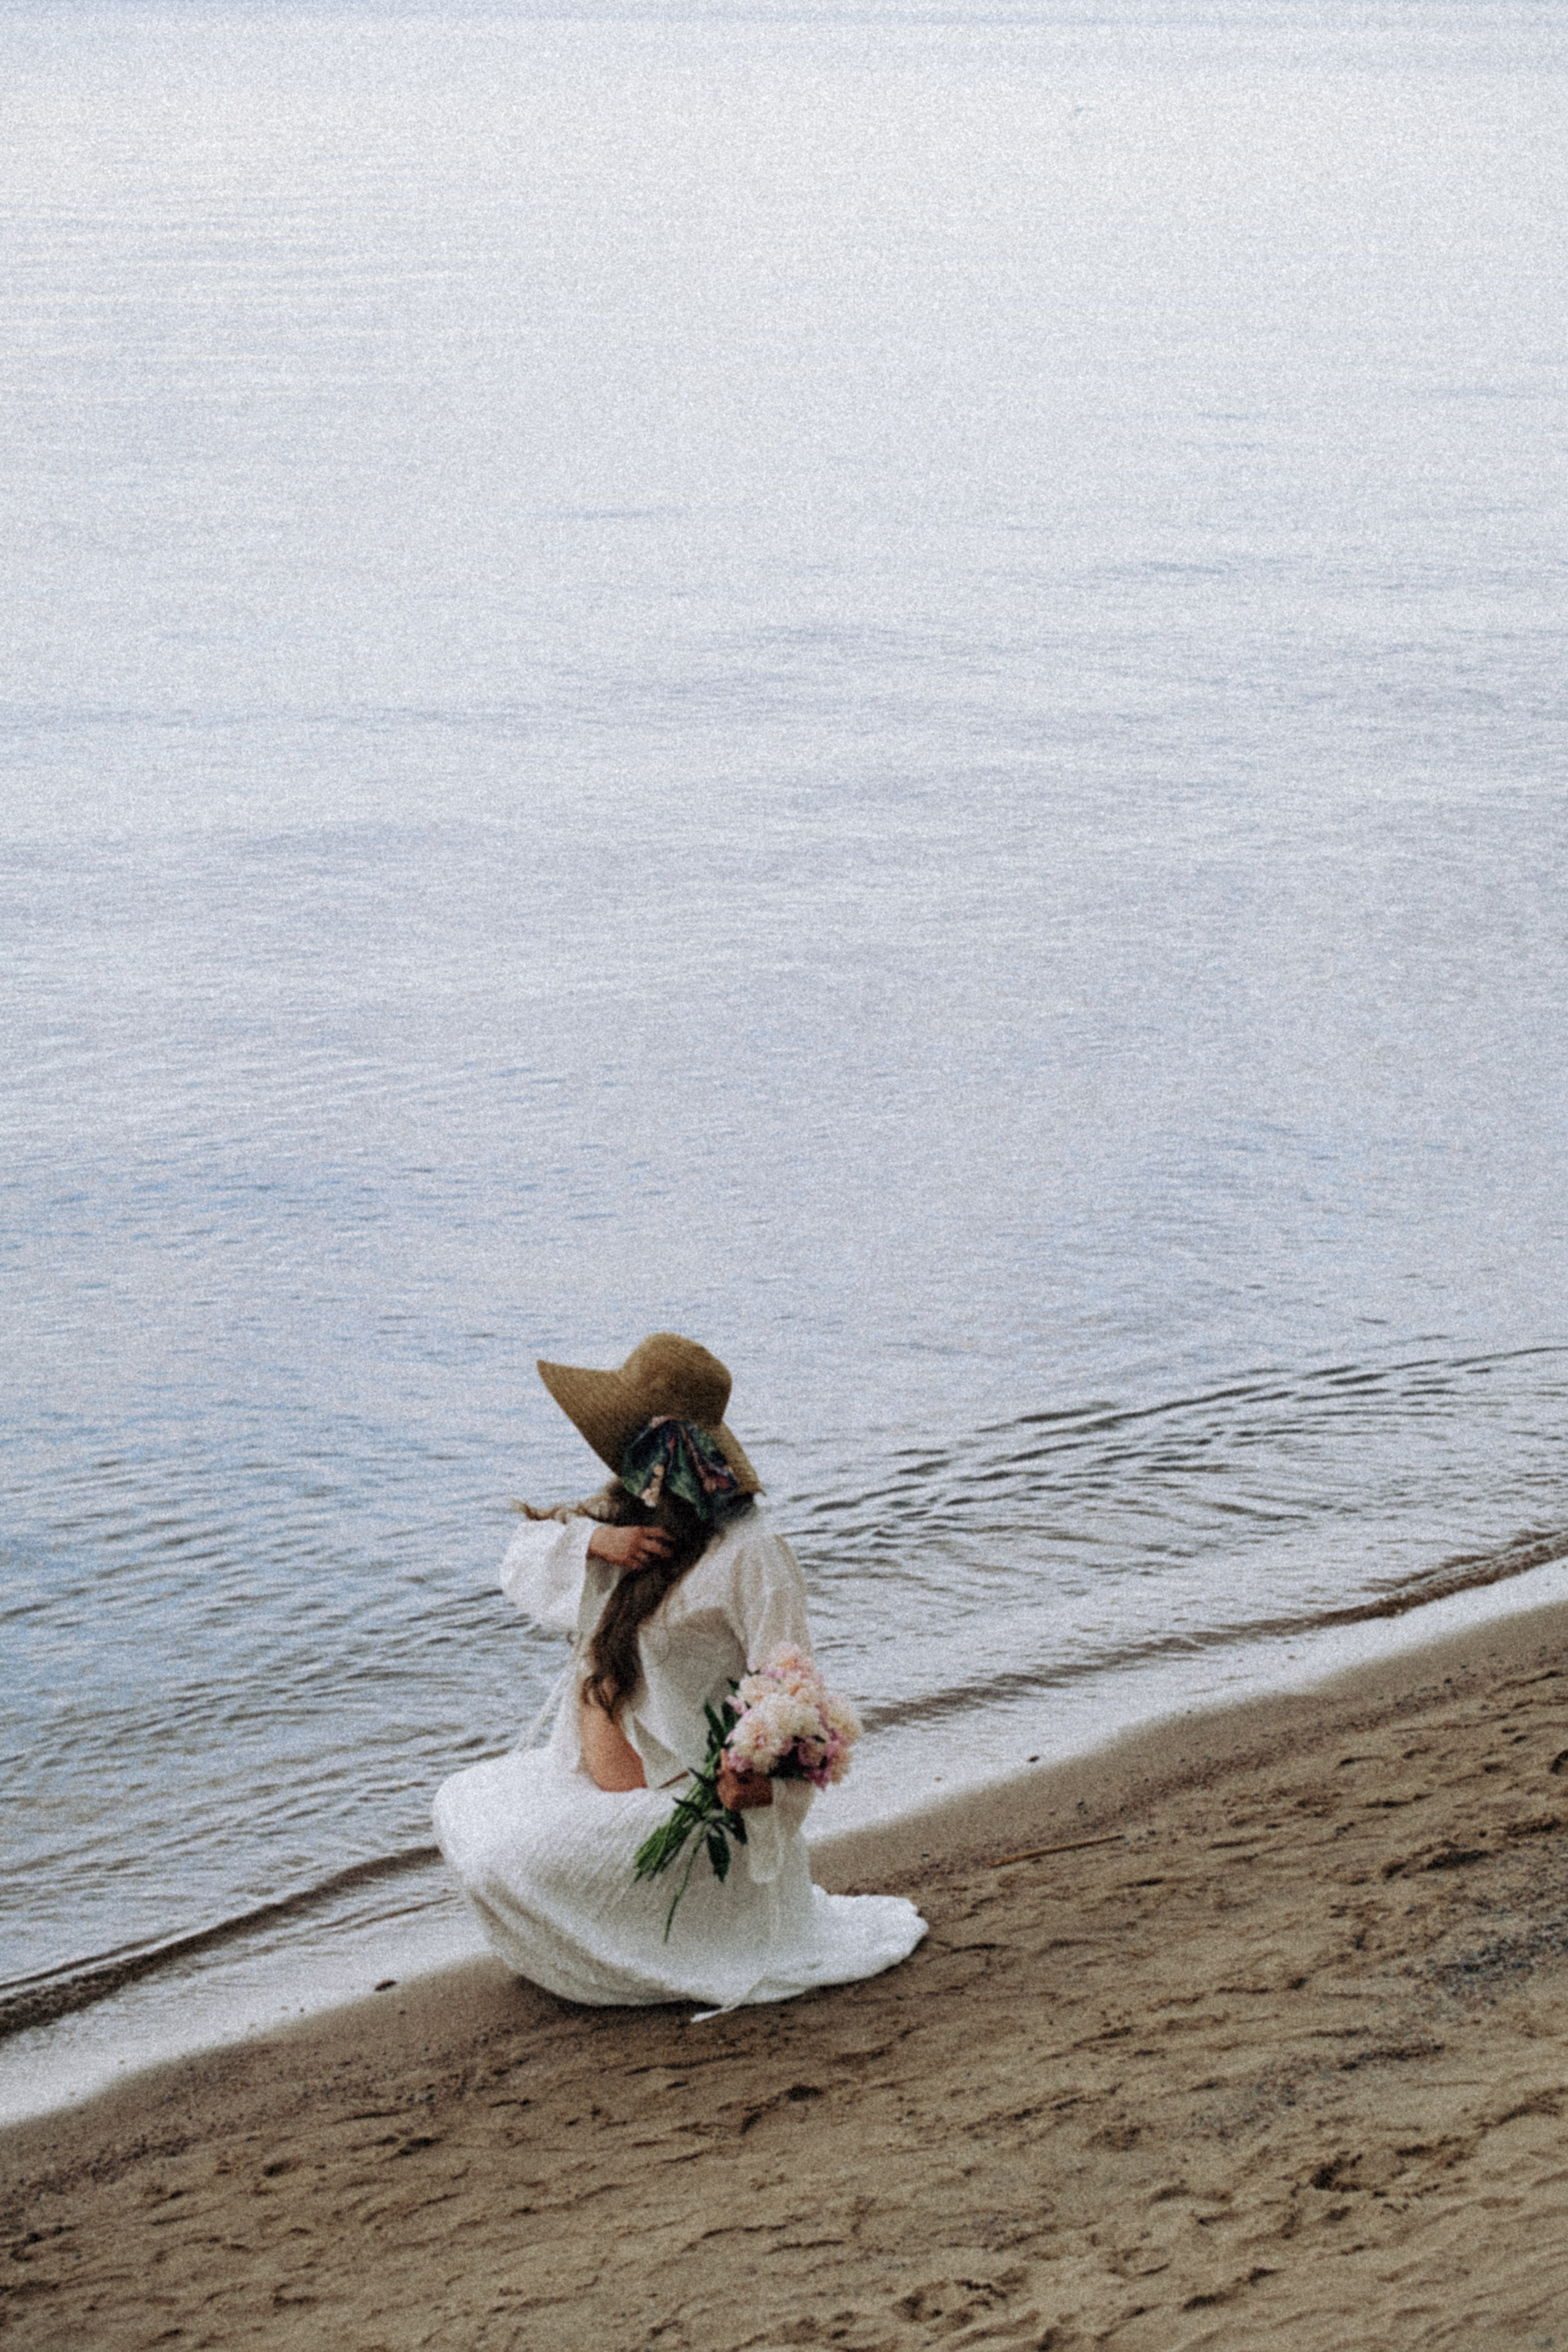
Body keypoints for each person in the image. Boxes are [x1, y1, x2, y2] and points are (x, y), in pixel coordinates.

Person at [432, 1333, 926, 2011]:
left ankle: (634, 1953)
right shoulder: (627, 1520)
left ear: (677, 1452)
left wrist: (758, 1785)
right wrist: (596, 1541)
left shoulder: (752, 1553)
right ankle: (594, 1950)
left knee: (501, 1862)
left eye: (643, 1446)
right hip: (591, 1781)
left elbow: (792, 1692)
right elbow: (523, 1558)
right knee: (461, 1805)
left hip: (679, 1801)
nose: (629, 1462)